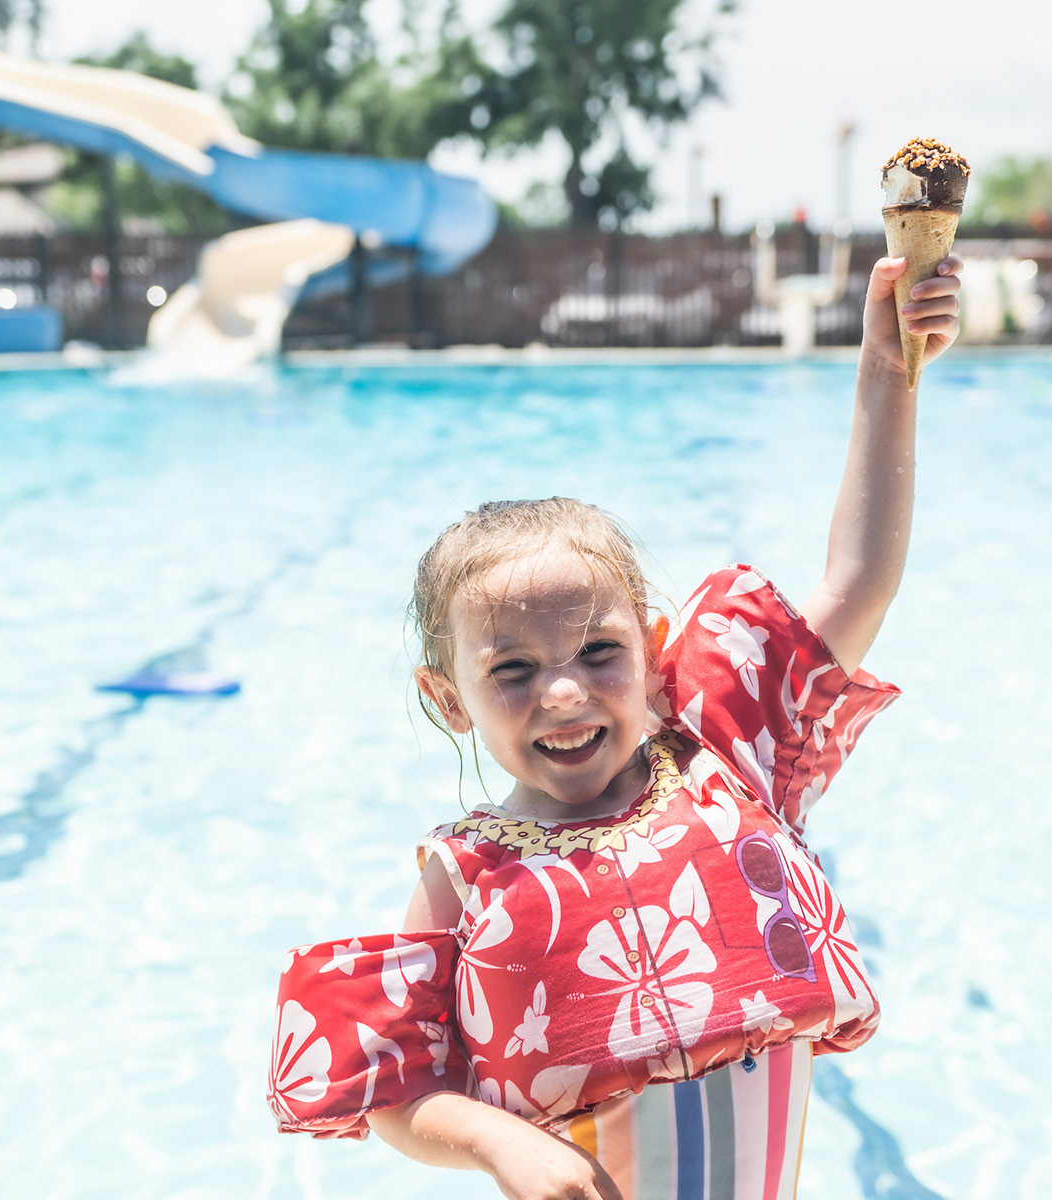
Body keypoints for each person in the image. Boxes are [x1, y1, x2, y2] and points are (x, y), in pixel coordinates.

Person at [267, 251, 964, 1200]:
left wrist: (888, 367)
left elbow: (857, 582)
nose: (564, 693)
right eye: (512, 670)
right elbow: (397, 1087)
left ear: (654, 649)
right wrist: (496, 1143)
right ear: (447, 699)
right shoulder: (465, 875)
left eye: (599, 652)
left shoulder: (726, 756)